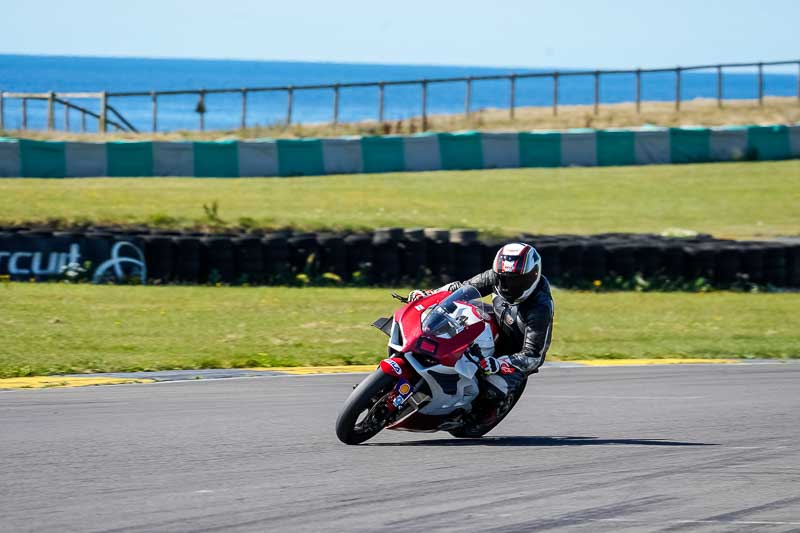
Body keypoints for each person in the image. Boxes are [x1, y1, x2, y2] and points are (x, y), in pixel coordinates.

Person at [409, 242, 554, 409]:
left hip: (516, 352)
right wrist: (430, 295)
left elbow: (533, 355)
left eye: (517, 281)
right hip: (498, 323)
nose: (509, 286)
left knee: (494, 390)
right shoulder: (496, 276)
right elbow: (462, 288)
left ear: (534, 274)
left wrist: (501, 363)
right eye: (504, 279)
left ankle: (466, 413)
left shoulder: (539, 308)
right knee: (454, 314)